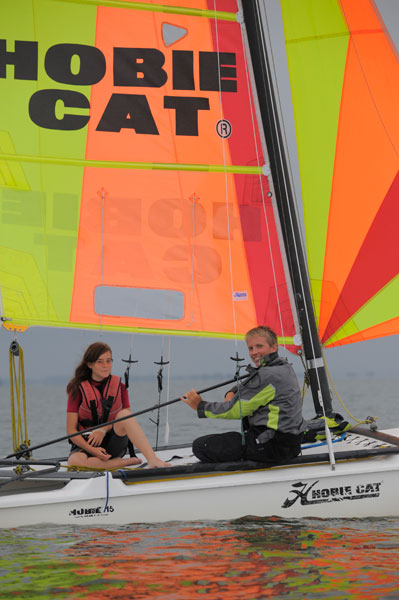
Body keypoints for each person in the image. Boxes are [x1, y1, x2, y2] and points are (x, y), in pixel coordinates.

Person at [181, 325, 306, 464]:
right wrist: (232, 391)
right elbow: (249, 385)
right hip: (290, 444)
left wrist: (200, 406)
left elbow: (235, 411)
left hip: (271, 447)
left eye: (259, 346)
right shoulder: (284, 367)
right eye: (251, 348)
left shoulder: (267, 374)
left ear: (274, 347)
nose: (254, 352)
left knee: (200, 446)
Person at [66, 342, 171, 469]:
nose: (105, 366)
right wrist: (92, 450)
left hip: (113, 443)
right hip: (87, 444)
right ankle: (121, 463)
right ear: (90, 364)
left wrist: (103, 430)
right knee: (75, 461)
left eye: (109, 361)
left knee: (125, 414)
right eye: (100, 362)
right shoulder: (76, 389)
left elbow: (127, 419)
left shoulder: (120, 387)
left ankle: (152, 459)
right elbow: (71, 430)